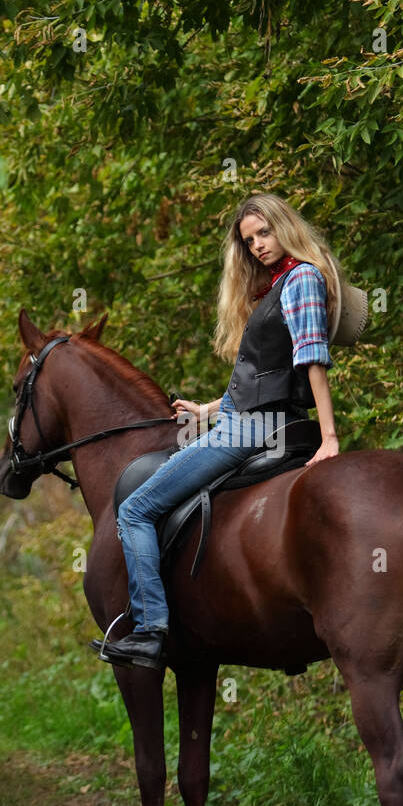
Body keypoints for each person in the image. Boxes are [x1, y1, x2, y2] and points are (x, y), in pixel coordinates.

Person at [90, 192, 342, 670]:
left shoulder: (301, 279)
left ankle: (150, 630)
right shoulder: (279, 285)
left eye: (264, 233)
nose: (258, 246)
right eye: (249, 242)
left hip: (252, 429)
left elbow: (312, 361)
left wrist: (330, 438)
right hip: (248, 419)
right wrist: (207, 409)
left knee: (136, 508)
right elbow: (266, 375)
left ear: (283, 227)